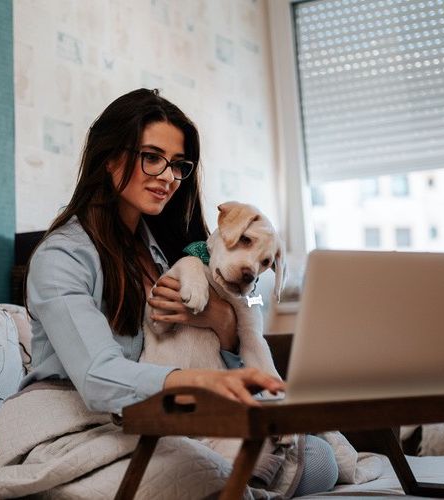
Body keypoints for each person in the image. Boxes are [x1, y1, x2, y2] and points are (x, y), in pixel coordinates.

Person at [20, 88, 337, 497]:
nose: (169, 176)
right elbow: (99, 378)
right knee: (211, 474)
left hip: (150, 419)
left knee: (319, 456)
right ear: (110, 156)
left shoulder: (171, 246)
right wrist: (201, 381)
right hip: (71, 424)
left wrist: (222, 322)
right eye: (151, 157)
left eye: (178, 165)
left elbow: (250, 302)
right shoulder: (62, 257)